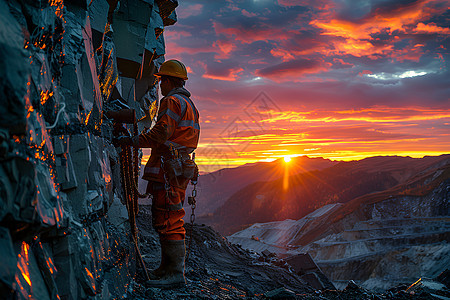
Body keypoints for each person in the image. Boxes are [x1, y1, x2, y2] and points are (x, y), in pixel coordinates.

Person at [117, 59, 200, 288]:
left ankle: (174, 274)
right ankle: (166, 269)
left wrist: (132, 141)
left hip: (168, 171)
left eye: (161, 80)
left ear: (168, 80)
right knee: (170, 216)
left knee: (168, 219)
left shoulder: (172, 102)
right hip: (178, 169)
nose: (160, 85)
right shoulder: (190, 105)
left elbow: (160, 134)